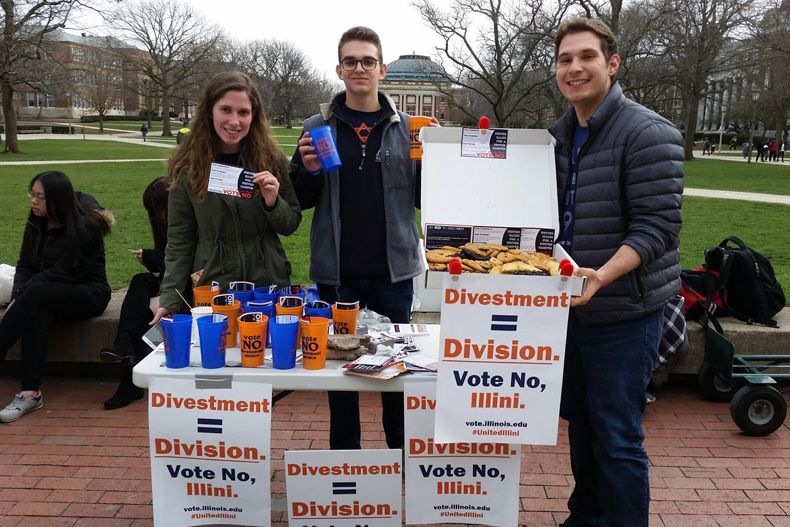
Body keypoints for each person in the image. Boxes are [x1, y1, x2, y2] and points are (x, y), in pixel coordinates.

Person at [549, 18, 683, 527]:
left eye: (586, 56)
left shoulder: (649, 133)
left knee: (618, 433)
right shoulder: (557, 137)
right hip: (570, 309)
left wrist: (601, 275)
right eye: (566, 59)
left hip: (626, 310)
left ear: (612, 63)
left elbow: (658, 229)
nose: (575, 68)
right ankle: (586, 517)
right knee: (581, 423)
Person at [290, 26, 436, 451]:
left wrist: (437, 158)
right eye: (351, 61)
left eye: (368, 61)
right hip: (338, 272)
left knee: (397, 371)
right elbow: (299, 200)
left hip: (394, 272)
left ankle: (400, 450)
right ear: (339, 69)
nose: (359, 68)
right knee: (342, 375)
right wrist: (307, 170)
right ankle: (345, 456)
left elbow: (427, 199)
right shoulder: (316, 126)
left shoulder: (411, 128)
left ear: (381, 69)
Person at [152, 71, 301, 325]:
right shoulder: (187, 167)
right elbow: (179, 240)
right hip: (214, 284)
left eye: (243, 112)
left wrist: (273, 202)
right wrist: (169, 299)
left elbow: (290, 224)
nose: (234, 121)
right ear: (210, 111)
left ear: (253, 116)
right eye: (226, 110)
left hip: (267, 284)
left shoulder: (270, 159)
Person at [0, 171, 113, 423]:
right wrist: (19, 294)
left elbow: (70, 270)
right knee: (38, 312)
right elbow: (25, 263)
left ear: (58, 200)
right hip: (46, 292)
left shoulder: (86, 223)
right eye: (33, 194)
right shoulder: (37, 219)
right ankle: (31, 392)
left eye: (40, 197)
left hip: (88, 292)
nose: (34, 201)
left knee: (37, 293)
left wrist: (25, 294)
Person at [100, 177, 168, 410]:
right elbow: (169, 269)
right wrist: (153, 261)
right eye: (155, 210)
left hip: (195, 295)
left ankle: (129, 377)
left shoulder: (197, 224)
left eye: (163, 208)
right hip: (172, 288)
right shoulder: (167, 228)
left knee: (144, 318)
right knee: (141, 281)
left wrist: (153, 257)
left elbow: (194, 268)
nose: (160, 216)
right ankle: (124, 347)